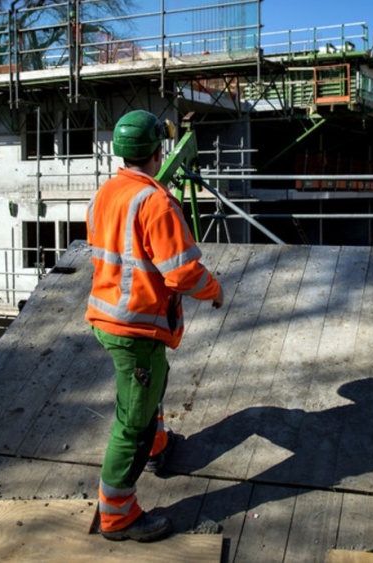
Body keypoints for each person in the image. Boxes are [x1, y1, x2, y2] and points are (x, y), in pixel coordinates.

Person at [86, 109, 224, 542]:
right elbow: (182, 273)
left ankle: (158, 446)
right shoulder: (155, 202)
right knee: (133, 425)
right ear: (158, 150)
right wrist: (215, 289)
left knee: (151, 387)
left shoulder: (106, 193)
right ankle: (118, 515)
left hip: (110, 316)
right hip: (136, 328)